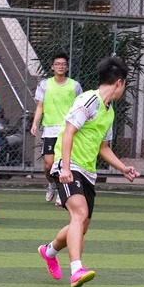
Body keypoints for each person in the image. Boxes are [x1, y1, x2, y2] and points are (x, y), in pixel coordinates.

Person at [36, 56, 139, 287]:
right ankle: (76, 270)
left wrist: (123, 168)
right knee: (79, 214)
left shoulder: (109, 112)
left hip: (87, 171)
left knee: (81, 225)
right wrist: (64, 168)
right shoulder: (89, 100)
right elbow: (69, 132)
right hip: (69, 166)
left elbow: (103, 147)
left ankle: (49, 251)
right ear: (119, 82)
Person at [30, 52, 83, 206]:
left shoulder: (75, 86)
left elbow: (80, 107)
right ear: (52, 67)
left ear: (67, 67)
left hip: (67, 129)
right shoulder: (44, 85)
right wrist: (34, 123)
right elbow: (40, 106)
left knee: (64, 163)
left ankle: (62, 190)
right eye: (57, 64)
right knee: (49, 164)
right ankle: (51, 183)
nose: (60, 66)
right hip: (50, 129)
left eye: (63, 64)